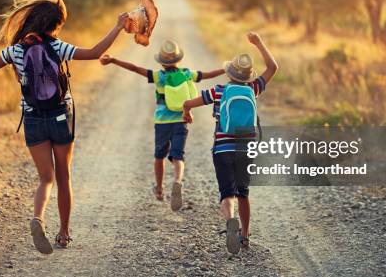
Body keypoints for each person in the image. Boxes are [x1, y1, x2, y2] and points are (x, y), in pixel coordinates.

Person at [0, 0, 127, 254]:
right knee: (64, 177)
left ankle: (38, 218)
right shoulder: (58, 46)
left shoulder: (16, 50)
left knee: (46, 179)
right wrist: (119, 26)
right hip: (60, 116)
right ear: (54, 24)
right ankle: (64, 233)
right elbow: (95, 52)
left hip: (32, 118)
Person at [99, 39, 224, 211]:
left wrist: (114, 60)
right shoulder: (187, 74)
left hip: (162, 122)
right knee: (178, 156)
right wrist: (226, 69)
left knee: (159, 156)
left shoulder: (159, 76)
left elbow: (135, 68)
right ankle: (178, 181)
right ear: (178, 59)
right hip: (181, 120)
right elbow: (208, 74)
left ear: (162, 62)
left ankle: (159, 189)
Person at [182, 32, 278, 254]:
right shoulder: (253, 89)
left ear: (230, 72)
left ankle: (230, 220)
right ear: (248, 75)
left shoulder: (218, 91)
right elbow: (273, 68)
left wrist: (187, 112)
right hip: (247, 147)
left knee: (227, 193)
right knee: (243, 192)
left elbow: (189, 102)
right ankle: (244, 236)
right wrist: (258, 42)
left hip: (223, 147)